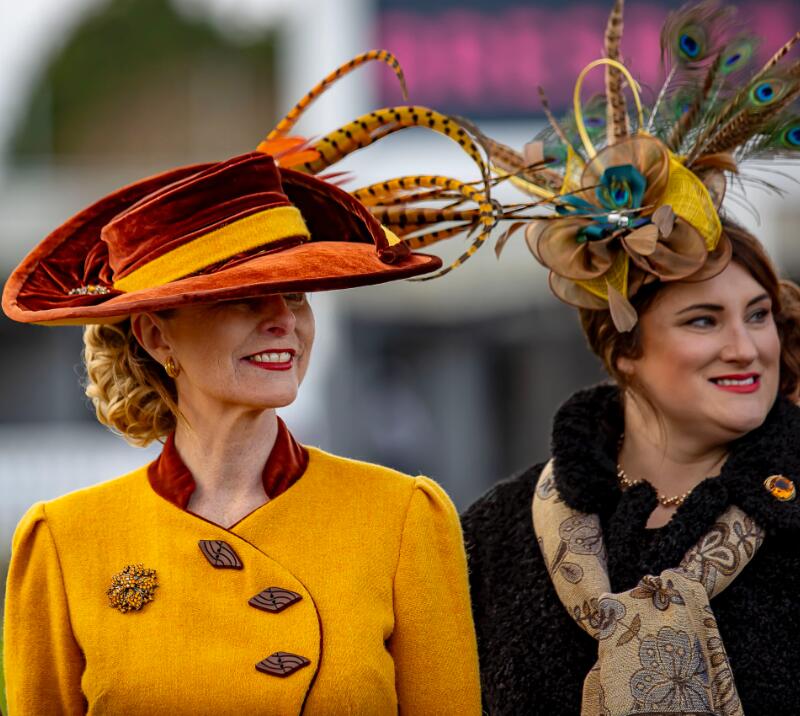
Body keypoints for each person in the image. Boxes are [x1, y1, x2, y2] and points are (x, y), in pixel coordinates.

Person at [2, 53, 486, 715]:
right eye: (243, 300)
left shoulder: (403, 519)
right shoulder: (63, 542)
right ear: (155, 335)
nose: (282, 321)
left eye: (297, 295)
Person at [460, 1, 800, 714]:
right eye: (704, 320)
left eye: (759, 315)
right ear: (625, 351)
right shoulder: (495, 536)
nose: (747, 347)